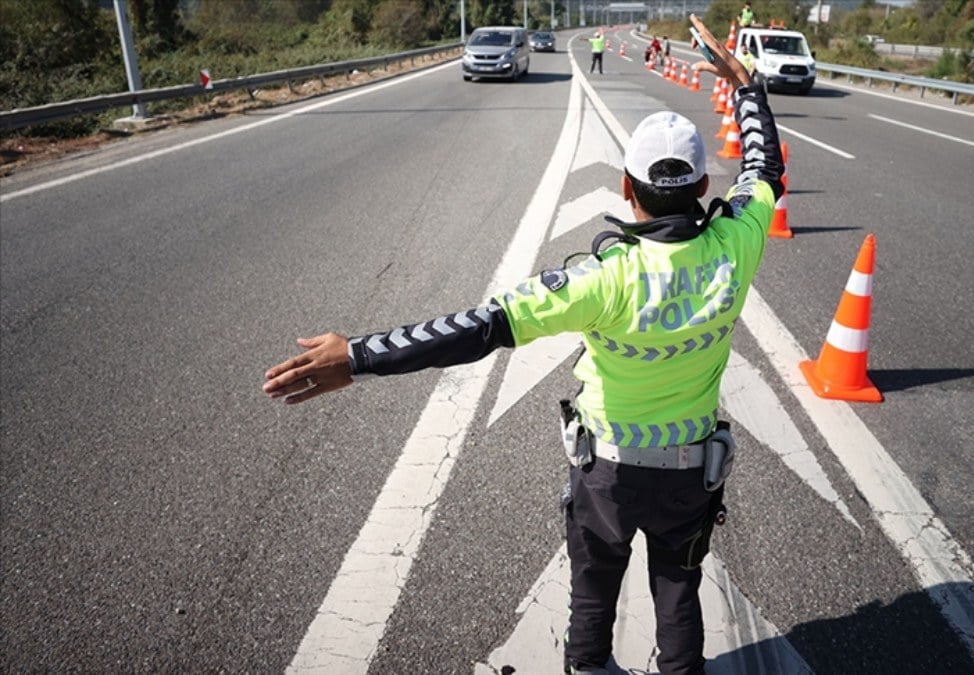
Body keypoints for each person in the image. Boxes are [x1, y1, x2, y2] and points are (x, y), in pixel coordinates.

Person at [262, 13, 784, 675]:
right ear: (704, 187)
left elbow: (476, 328)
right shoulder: (737, 244)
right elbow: (765, 168)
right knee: (679, 589)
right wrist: (747, 89)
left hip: (608, 474)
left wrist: (358, 356)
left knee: (593, 588)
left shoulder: (602, 279)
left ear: (626, 188)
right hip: (690, 473)